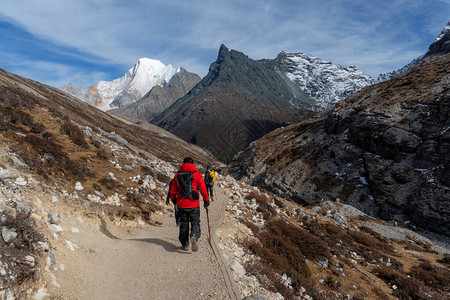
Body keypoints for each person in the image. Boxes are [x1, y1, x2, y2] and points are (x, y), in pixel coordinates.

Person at [170, 157, 210, 252]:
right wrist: (206, 200)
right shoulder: (197, 174)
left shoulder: (177, 175)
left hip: (181, 204)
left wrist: (173, 200)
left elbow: (173, 189)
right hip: (194, 204)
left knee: (184, 224)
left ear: (183, 164)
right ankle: (194, 235)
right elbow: (203, 189)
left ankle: (185, 244)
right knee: (195, 221)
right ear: (193, 164)